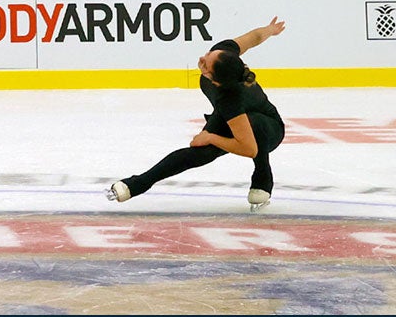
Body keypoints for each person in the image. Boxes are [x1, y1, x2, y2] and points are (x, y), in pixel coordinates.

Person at [106, 17, 287, 212]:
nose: (202, 58)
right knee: (202, 151)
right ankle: (138, 183)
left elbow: (249, 148)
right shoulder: (224, 54)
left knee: (248, 127)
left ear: (213, 80)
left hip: (269, 128)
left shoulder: (231, 99)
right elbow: (254, 37)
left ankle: (262, 175)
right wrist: (270, 30)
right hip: (230, 114)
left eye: (205, 64)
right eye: (208, 54)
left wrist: (211, 136)